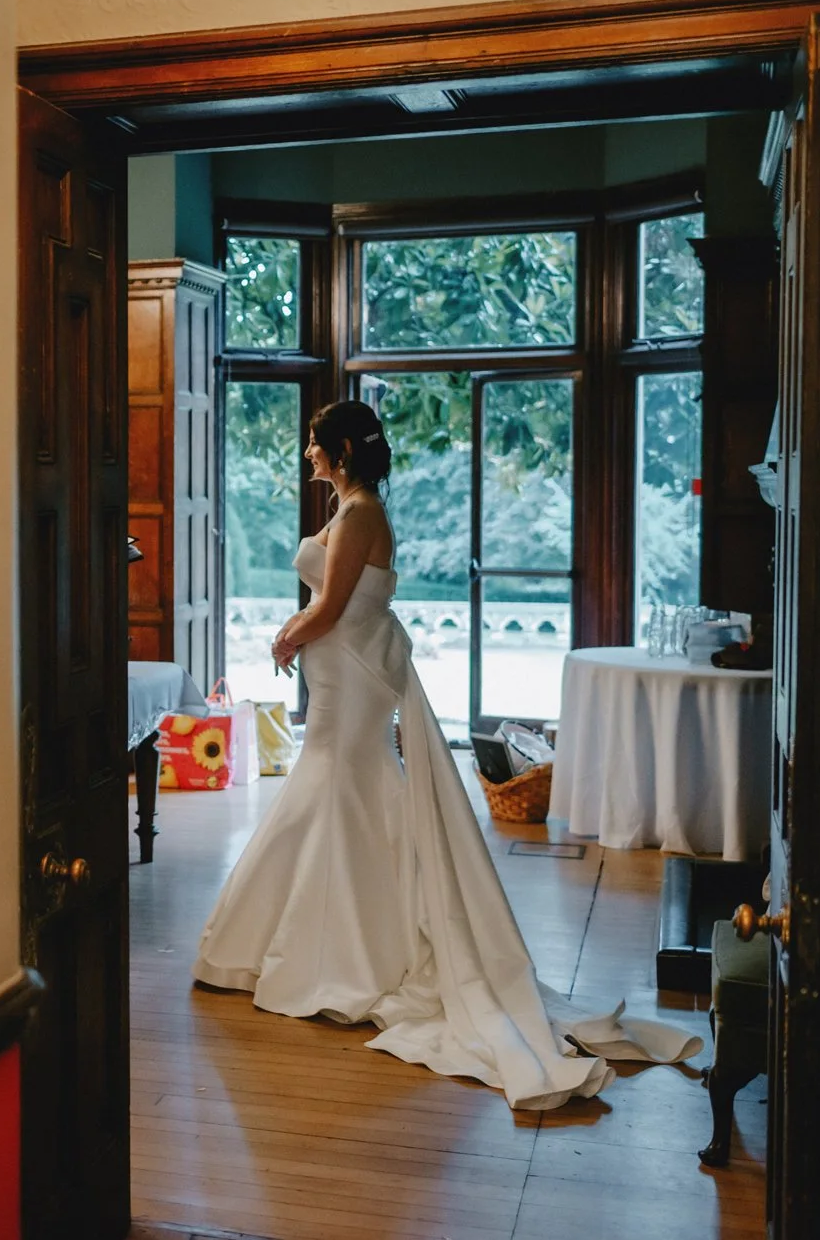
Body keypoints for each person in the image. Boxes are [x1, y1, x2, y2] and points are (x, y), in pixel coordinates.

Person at [192, 399, 698, 1110]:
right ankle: (313, 937)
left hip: (348, 673)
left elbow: (332, 604)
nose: (307, 455)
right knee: (337, 788)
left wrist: (287, 637)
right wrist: (303, 635)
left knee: (339, 785)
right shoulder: (355, 507)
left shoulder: (361, 511)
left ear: (338, 448)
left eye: (314, 444)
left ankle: (335, 955)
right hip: (346, 670)